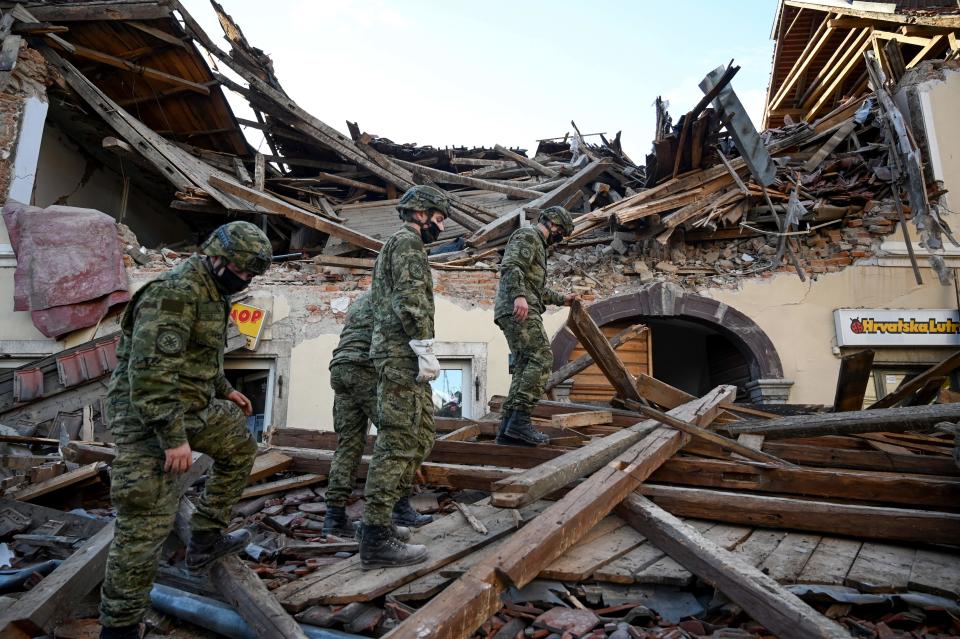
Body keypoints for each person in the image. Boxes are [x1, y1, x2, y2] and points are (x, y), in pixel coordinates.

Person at [98, 222, 272, 639]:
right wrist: (173, 439)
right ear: (216, 256)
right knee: (145, 522)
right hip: (147, 418)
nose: (244, 279)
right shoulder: (174, 294)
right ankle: (119, 626)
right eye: (241, 271)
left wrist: (226, 389)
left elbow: (199, 357)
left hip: (192, 406)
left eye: (251, 275)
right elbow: (152, 374)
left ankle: (205, 538)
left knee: (239, 446)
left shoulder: (215, 292)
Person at [360, 185, 448, 569]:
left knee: (418, 433)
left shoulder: (399, 245)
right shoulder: (408, 244)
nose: (441, 229)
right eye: (439, 220)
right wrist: (424, 345)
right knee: (397, 440)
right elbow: (410, 299)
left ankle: (386, 517)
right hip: (401, 353)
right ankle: (376, 536)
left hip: (401, 353)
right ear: (421, 213)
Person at [321, 293, 422, 540]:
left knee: (348, 445)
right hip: (365, 366)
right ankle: (398, 509)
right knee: (399, 436)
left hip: (340, 367)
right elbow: (404, 337)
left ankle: (333, 517)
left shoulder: (361, 300)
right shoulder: (395, 298)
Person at [494, 206, 577, 446]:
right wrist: (519, 296)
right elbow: (511, 266)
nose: (559, 235)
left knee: (524, 365)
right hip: (519, 308)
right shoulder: (528, 236)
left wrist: (563, 300)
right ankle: (519, 423)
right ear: (551, 222)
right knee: (541, 358)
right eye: (560, 229)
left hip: (519, 306)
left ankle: (508, 428)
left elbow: (536, 289)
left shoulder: (537, 245)